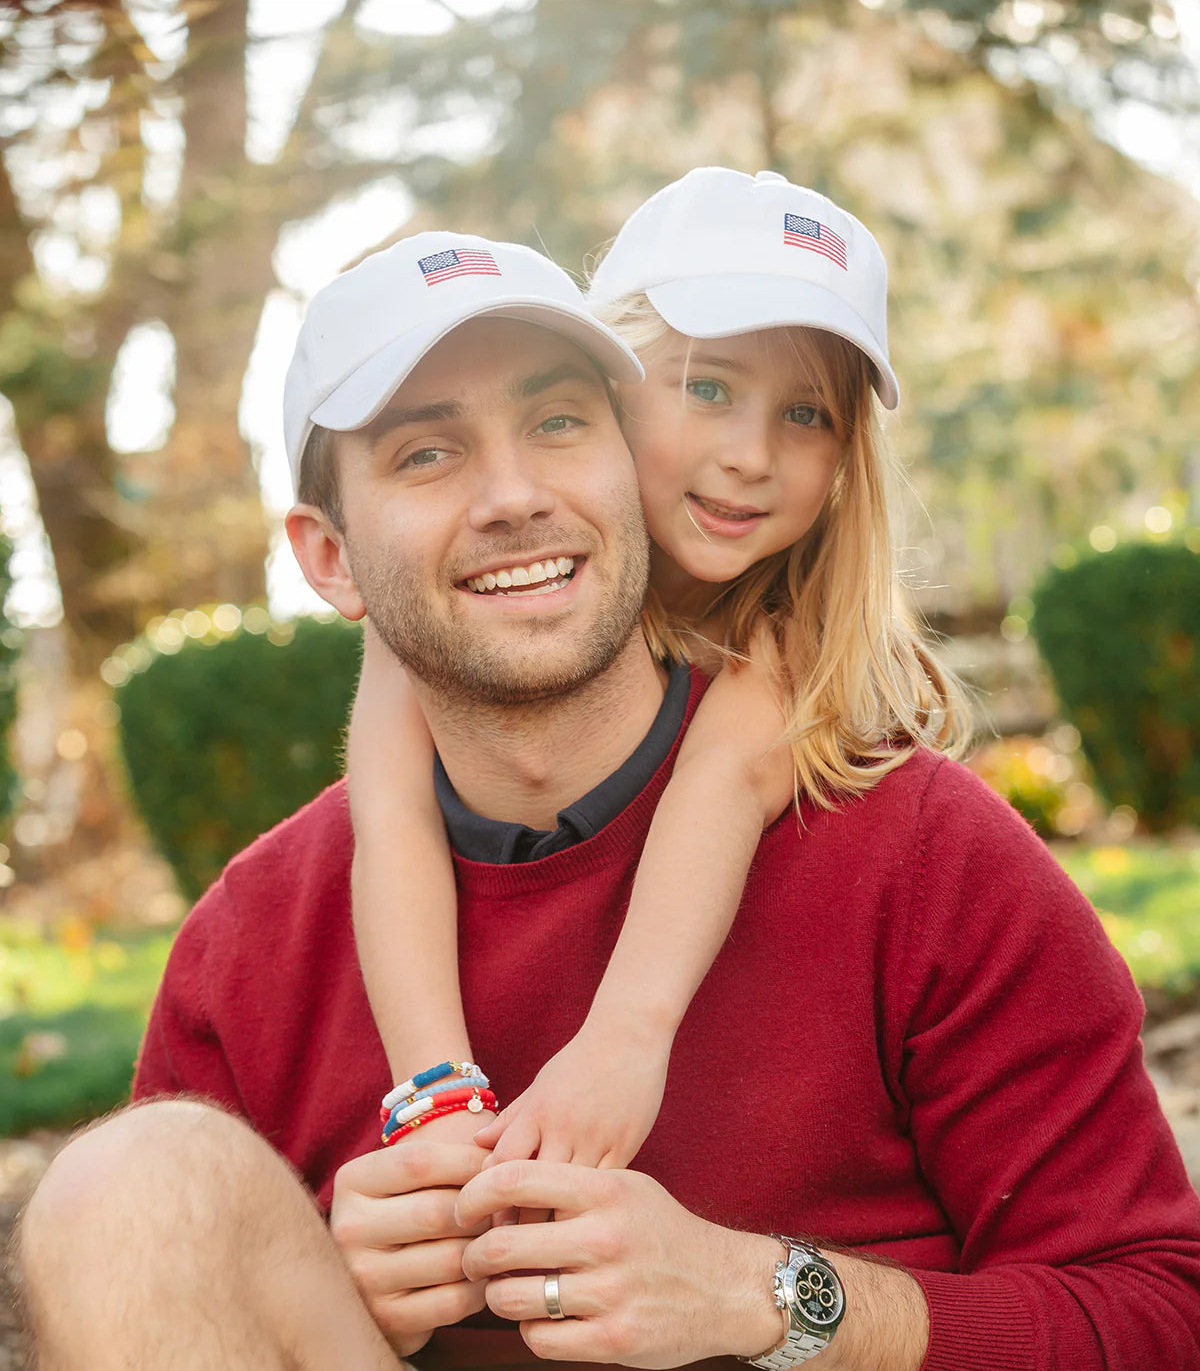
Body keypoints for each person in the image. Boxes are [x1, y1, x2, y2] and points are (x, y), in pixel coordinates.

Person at [18, 189, 1200, 1371]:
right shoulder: (262, 933)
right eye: (426, 454)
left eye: (556, 423)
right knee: (130, 1188)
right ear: (330, 561)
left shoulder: (912, 842)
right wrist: (326, 1282)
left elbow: (1160, 1353)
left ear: (615, 460)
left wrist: (765, 1294)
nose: (516, 496)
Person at [348, 168, 965, 1173]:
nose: (751, 455)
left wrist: (623, 1041)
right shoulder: (452, 592)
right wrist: (436, 1090)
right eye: (709, 388)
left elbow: (718, 784)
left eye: (807, 415)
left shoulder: (786, 638)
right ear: (604, 386)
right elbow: (390, 814)